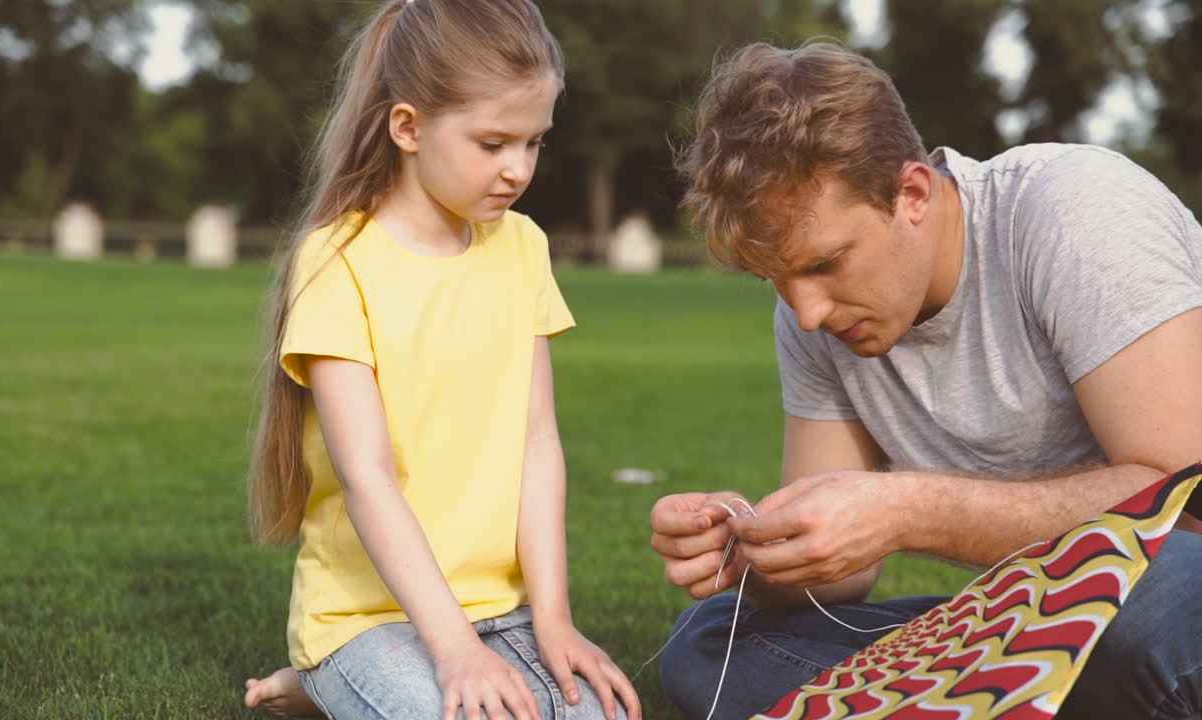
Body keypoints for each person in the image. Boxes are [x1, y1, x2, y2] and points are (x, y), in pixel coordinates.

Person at [650, 41, 1202, 720]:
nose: (807, 311)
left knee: (1161, 599)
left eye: (826, 263)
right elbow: (843, 576)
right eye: (776, 279)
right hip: (1046, 616)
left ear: (912, 191)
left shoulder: (1072, 211)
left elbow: (1184, 497)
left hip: (1175, 584)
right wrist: (755, 549)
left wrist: (906, 510)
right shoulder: (811, 317)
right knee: (715, 643)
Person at [239, 2, 641, 718]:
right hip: (370, 619)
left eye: (534, 142)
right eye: (492, 143)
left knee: (602, 713)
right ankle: (326, 677)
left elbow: (538, 442)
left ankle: (328, 696)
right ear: (408, 128)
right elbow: (367, 478)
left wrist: (552, 617)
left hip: (504, 611)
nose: (517, 169)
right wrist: (455, 651)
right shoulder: (337, 262)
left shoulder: (523, 249)